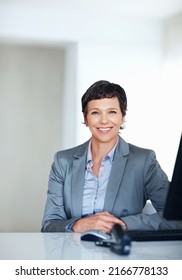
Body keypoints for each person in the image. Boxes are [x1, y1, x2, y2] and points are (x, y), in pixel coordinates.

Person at [41, 80, 181, 233]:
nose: (104, 120)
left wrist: (124, 224)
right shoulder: (63, 161)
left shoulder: (144, 161)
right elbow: (49, 224)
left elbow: (177, 217)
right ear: (85, 117)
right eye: (95, 112)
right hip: (73, 253)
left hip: (121, 253)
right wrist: (77, 225)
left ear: (123, 116)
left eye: (112, 112)